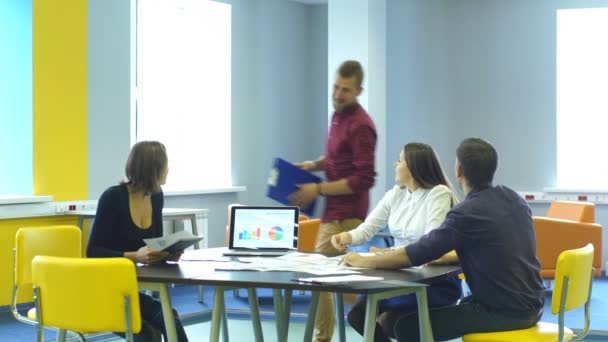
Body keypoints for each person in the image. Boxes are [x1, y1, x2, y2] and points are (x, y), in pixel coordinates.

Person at [341, 138, 545, 342]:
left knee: (407, 326)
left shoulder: (466, 213)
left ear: (458, 170)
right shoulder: (513, 199)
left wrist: (363, 260)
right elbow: (491, 250)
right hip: (533, 304)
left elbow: (415, 255)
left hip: (503, 312)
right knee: (396, 320)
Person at [330, 142, 461, 342]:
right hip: (399, 273)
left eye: (400, 160)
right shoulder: (395, 194)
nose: (395, 164)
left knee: (396, 323)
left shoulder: (438, 193)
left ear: (414, 167)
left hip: (433, 280)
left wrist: (390, 253)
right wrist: (346, 237)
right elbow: (368, 228)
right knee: (357, 315)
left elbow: (429, 242)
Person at [290, 60, 377, 342]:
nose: (338, 94)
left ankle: (322, 337)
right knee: (326, 275)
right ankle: (369, 294)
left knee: (317, 273)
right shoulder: (337, 115)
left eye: (346, 90)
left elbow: (363, 178)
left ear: (359, 90)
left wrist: (318, 189)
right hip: (332, 210)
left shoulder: (362, 125)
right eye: (336, 87)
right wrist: (313, 165)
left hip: (348, 213)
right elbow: (337, 158)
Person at [87, 141, 189, 342]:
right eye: (165, 164)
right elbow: (93, 251)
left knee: (170, 320)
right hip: (104, 287)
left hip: (128, 286)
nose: (168, 169)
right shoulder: (112, 198)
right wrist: (134, 256)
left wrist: (168, 252)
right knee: (148, 335)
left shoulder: (156, 196)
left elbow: (156, 242)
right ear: (153, 168)